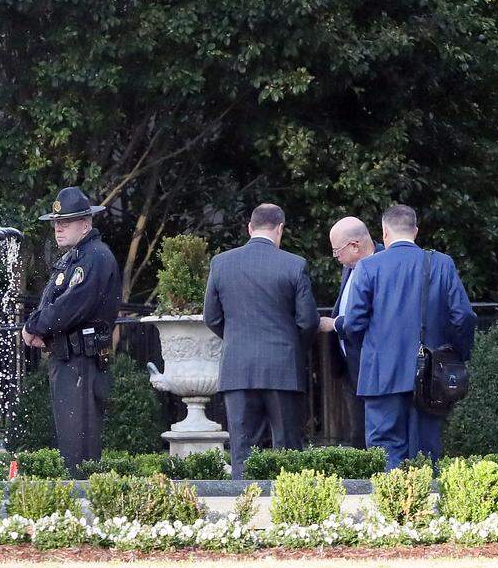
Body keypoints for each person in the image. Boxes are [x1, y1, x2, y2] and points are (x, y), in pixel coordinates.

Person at [342, 204, 477, 468]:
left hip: (381, 374)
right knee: (426, 451)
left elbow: (353, 323)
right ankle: (426, 505)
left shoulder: (368, 267)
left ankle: (392, 506)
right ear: (415, 230)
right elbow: (463, 316)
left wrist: (371, 350)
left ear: (384, 232)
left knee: (384, 450)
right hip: (431, 373)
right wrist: (457, 353)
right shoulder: (441, 263)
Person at [203, 203, 318, 479]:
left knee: (242, 451)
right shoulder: (294, 265)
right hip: (283, 369)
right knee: (288, 450)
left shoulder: (221, 263)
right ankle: (290, 511)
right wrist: (292, 347)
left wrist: (234, 339)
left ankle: (244, 509)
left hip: (238, 368)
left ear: (249, 228)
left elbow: (211, 316)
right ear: (280, 229)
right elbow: (308, 321)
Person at [22, 186, 122, 476]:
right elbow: (50, 298)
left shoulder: (95, 257)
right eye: (56, 222)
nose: (58, 228)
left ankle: (84, 508)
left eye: (66, 222)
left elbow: (70, 306)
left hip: (82, 360)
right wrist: (35, 327)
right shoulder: (74, 257)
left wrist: (34, 327)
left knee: (80, 446)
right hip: (67, 359)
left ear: (86, 223)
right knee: (71, 441)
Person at [319, 216, 381, 449]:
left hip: (373, 361)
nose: (337, 258)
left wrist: (333, 324)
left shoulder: (383, 264)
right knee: (357, 432)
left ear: (354, 245)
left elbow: (369, 317)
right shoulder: (351, 266)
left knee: (372, 432)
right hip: (349, 362)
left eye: (337, 251)